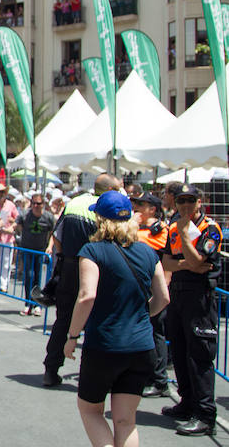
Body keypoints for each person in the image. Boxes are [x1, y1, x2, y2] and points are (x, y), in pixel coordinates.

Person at [64, 191, 170, 447]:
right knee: (126, 420)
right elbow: (163, 298)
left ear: (100, 219)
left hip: (105, 344)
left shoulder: (92, 250)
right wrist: (143, 316)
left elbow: (87, 296)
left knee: (90, 410)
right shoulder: (148, 253)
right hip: (141, 345)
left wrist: (72, 336)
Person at [43, 173, 122, 387]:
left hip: (69, 266)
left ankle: (51, 369)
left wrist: (65, 258)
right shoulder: (107, 208)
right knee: (98, 320)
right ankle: (93, 374)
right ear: (111, 191)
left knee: (63, 320)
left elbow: (56, 236)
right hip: (96, 267)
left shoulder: (74, 202)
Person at [160, 185, 222, 436]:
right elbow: (166, 262)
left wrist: (186, 240)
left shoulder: (210, 228)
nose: (184, 205)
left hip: (199, 298)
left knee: (200, 356)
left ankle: (205, 415)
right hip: (178, 294)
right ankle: (187, 403)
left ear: (200, 202)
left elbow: (201, 263)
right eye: (180, 201)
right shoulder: (174, 227)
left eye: (190, 201)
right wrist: (188, 263)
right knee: (180, 351)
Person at [130, 191, 171, 399]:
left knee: (156, 333)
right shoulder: (137, 226)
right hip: (137, 287)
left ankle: (159, 380)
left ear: (153, 209)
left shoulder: (160, 229)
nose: (137, 207)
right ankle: (145, 375)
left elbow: (163, 258)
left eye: (141, 204)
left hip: (153, 287)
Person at [17, 193, 56, 316]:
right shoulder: (25, 215)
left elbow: (53, 233)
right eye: (33, 203)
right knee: (29, 276)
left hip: (40, 252)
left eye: (38, 203)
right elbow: (18, 226)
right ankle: (28, 303)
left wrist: (49, 247)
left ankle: (37, 304)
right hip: (28, 251)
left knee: (39, 278)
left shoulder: (48, 217)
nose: (35, 206)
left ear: (43, 204)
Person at [0, 182, 18, 292]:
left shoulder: (11, 205)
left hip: (7, 238)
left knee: (6, 262)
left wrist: (11, 224)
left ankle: (4, 285)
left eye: (2, 192)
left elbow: (17, 220)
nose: (0, 194)